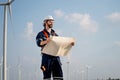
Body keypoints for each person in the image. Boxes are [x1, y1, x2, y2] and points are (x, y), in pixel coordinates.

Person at [36, 15, 74, 80]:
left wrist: (70, 44)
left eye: (52, 21)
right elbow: (39, 43)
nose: (52, 22)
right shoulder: (41, 34)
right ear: (45, 22)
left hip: (56, 57)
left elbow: (61, 43)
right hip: (46, 58)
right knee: (47, 77)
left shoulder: (55, 35)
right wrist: (46, 41)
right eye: (50, 21)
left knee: (59, 77)